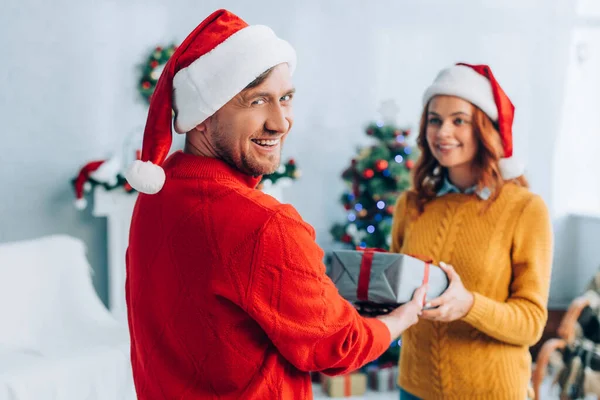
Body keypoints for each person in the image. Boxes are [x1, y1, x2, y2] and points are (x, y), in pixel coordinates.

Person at [124, 9, 426, 400]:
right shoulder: (264, 224)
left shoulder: (156, 196)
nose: (280, 122)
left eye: (285, 98)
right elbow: (339, 346)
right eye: (257, 102)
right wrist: (402, 317)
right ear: (201, 118)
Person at [390, 63, 553, 399]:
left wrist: (468, 306)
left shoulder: (525, 209)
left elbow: (532, 323)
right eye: (435, 119)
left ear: (484, 129)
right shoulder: (412, 204)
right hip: (413, 389)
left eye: (458, 120)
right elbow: (396, 292)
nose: (442, 132)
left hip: (492, 392)